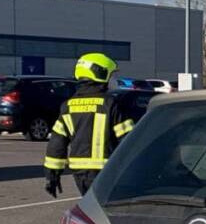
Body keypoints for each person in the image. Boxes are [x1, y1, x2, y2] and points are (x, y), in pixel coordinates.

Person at [43, 52, 137, 197]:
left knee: (90, 205)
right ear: (100, 74)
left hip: (80, 173)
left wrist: (52, 174)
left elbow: (57, 142)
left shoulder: (68, 106)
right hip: (107, 172)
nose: (113, 79)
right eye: (111, 75)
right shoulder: (111, 104)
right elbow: (129, 140)